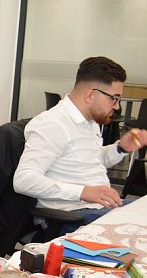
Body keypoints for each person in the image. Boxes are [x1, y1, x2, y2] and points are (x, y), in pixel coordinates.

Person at [13, 56, 146, 229]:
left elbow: (91, 161)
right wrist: (83, 192)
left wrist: (120, 148)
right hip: (74, 214)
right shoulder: (53, 124)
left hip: (100, 207)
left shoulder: (89, 121)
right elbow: (24, 180)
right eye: (114, 98)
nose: (116, 106)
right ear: (90, 95)